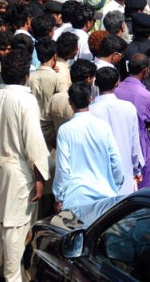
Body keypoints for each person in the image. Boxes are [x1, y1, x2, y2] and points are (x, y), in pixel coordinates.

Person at [0, 48, 49, 282]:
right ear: (26, 75)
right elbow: (34, 143)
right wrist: (39, 177)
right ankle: (11, 277)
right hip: (17, 174)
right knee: (15, 230)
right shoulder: (26, 101)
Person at [54, 82, 124, 222]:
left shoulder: (65, 130)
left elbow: (64, 168)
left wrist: (59, 197)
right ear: (91, 98)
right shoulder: (103, 126)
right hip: (105, 196)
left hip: (76, 198)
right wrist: (114, 185)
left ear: (70, 102)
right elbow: (116, 160)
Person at [90, 67, 143, 195]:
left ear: (95, 83)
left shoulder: (90, 111)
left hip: (98, 178)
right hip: (125, 175)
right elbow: (135, 143)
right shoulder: (128, 108)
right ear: (117, 84)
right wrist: (137, 169)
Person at [114, 53, 150, 188]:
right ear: (145, 71)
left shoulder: (116, 89)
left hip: (118, 144)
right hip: (141, 149)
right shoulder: (146, 96)